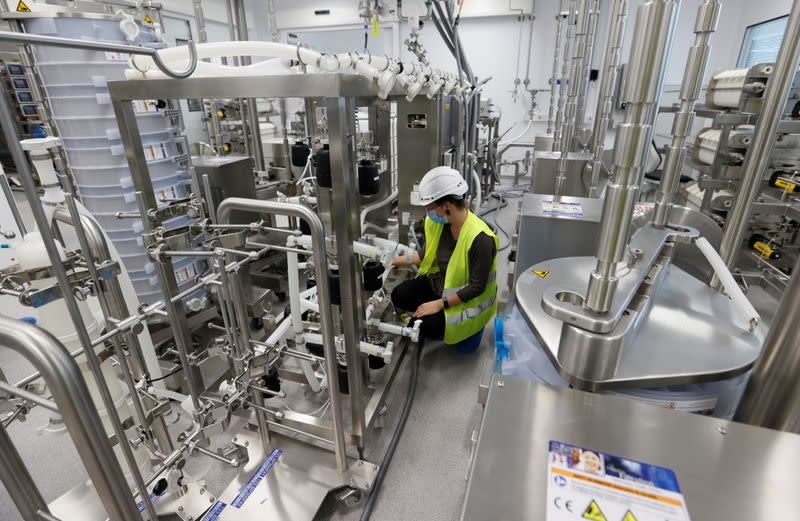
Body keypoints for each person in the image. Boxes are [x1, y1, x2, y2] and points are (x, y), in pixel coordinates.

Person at [390, 166, 498, 346]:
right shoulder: (439, 224)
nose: (428, 213)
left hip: (465, 302)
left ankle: (452, 327)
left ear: (446, 206)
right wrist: (391, 261)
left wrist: (439, 304)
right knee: (399, 294)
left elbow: (476, 287)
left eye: (430, 208)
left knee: (421, 326)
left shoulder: (480, 238)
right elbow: (423, 255)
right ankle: (432, 316)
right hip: (439, 285)